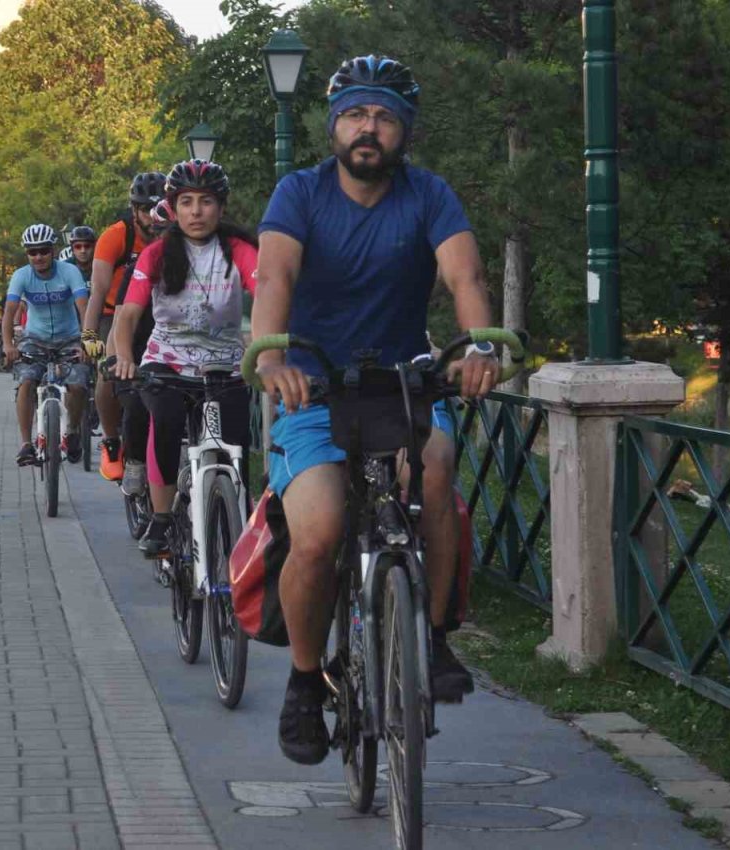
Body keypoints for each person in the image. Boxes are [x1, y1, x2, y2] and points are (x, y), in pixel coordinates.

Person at [250, 55, 502, 766]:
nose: (369, 129)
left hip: (403, 381)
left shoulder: (429, 195)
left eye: (385, 117)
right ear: (334, 125)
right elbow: (275, 273)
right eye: (357, 115)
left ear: (405, 131)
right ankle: (305, 683)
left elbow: (466, 275)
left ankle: (437, 637)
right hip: (312, 384)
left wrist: (479, 346)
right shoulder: (299, 192)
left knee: (436, 471)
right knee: (321, 530)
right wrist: (271, 357)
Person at [113, 160, 256, 554]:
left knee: (238, 440)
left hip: (225, 361)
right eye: (187, 202)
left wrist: (265, 344)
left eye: (206, 201)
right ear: (173, 209)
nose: (196, 211)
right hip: (167, 359)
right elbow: (127, 316)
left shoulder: (239, 251)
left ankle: (237, 516)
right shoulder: (157, 254)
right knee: (166, 417)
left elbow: (267, 296)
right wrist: (124, 356)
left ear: (221, 208)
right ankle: (161, 519)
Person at [81, 172, 167, 480]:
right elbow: (99, 290)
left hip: (161, 314)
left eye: (161, 207)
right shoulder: (116, 236)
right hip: (113, 313)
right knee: (109, 373)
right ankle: (111, 441)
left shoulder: (175, 233)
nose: (154, 216)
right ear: (134, 210)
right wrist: (90, 335)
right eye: (146, 209)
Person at [2, 224, 91, 467]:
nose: (38, 257)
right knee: (26, 381)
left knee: (79, 384)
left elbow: (84, 308)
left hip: (70, 337)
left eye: (43, 251)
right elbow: (9, 312)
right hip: (35, 339)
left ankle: (72, 431)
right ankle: (25, 444)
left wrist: (88, 342)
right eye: (32, 252)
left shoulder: (70, 271)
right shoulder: (21, 276)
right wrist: (8, 344)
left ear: (53, 250)